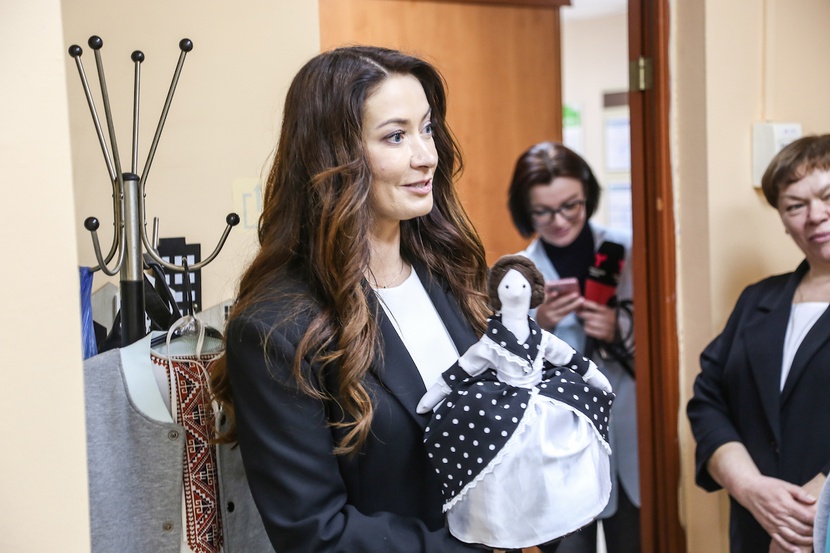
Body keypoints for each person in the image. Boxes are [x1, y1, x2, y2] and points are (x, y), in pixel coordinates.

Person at [210, 45, 498, 552]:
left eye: (427, 128)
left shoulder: (454, 276)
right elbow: (313, 534)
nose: (426, 156)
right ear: (333, 156)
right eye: (396, 136)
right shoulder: (275, 329)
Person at [687, 134, 830, 553]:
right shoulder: (757, 301)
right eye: (795, 206)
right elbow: (707, 401)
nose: (815, 215)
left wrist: (813, 507)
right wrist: (750, 487)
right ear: (783, 221)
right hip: (756, 532)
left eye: (827, 196)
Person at [417, 254, 614, 552]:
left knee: (554, 453)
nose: (515, 292)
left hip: (541, 397)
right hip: (506, 402)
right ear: (497, 292)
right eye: (508, 287)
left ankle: (560, 509)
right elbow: (464, 367)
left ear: (532, 291)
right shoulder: (491, 341)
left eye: (521, 286)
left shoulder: (540, 336)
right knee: (505, 466)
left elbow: (568, 357)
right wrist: (437, 391)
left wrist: (592, 374)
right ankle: (507, 525)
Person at [506, 141, 639, 553]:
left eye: (571, 206)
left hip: (630, 435)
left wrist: (618, 328)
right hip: (556, 447)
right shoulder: (513, 275)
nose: (560, 221)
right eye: (543, 212)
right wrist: (539, 324)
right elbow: (501, 372)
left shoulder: (631, 250)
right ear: (525, 211)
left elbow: (665, 339)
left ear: (588, 196)